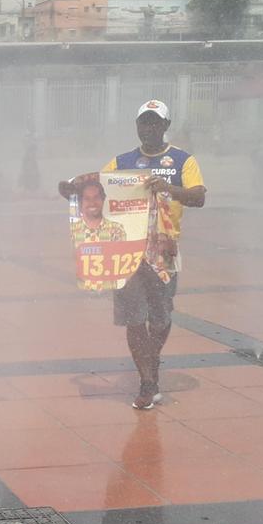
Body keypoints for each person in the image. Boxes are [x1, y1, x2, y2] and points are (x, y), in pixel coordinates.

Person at [102, 100, 206, 410]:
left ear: (165, 127)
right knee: (135, 320)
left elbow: (198, 197)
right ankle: (147, 382)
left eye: (154, 123)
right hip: (128, 253)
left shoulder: (181, 161)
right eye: (143, 123)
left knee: (160, 318)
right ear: (136, 126)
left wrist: (169, 189)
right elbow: (98, 190)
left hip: (164, 252)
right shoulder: (122, 162)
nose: (148, 128)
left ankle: (153, 356)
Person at [68, 178, 127, 243]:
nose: (92, 203)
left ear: (103, 200)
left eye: (96, 197)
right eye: (87, 198)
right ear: (80, 202)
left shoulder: (117, 229)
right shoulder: (71, 231)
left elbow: (120, 252)